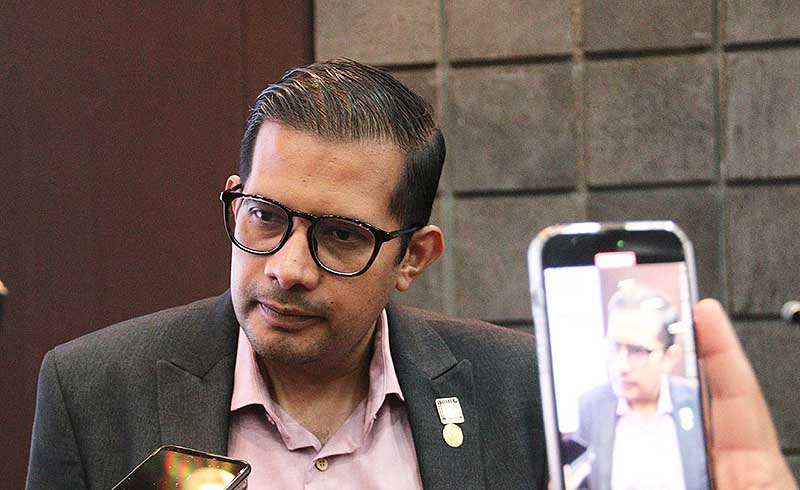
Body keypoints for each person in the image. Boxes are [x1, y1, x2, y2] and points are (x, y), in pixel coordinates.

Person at [25, 59, 797, 490]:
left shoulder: (524, 396)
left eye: (340, 236)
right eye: (264, 216)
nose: (287, 269)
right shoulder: (93, 391)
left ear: (414, 257)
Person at [575, 282, 707, 490]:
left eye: (637, 351)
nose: (621, 366)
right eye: (614, 346)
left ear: (670, 358)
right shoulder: (591, 406)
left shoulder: (698, 404)